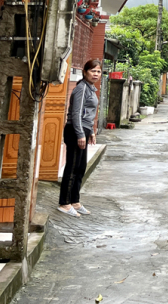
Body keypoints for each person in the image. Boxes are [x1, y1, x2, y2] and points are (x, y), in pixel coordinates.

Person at [58, 59, 101, 217]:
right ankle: (64, 203)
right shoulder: (82, 88)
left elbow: (88, 113)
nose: (96, 74)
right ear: (85, 72)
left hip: (84, 129)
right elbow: (76, 113)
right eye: (93, 71)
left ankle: (74, 201)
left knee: (81, 167)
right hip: (75, 130)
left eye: (98, 71)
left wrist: (91, 131)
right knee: (72, 167)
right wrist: (81, 134)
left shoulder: (91, 88)